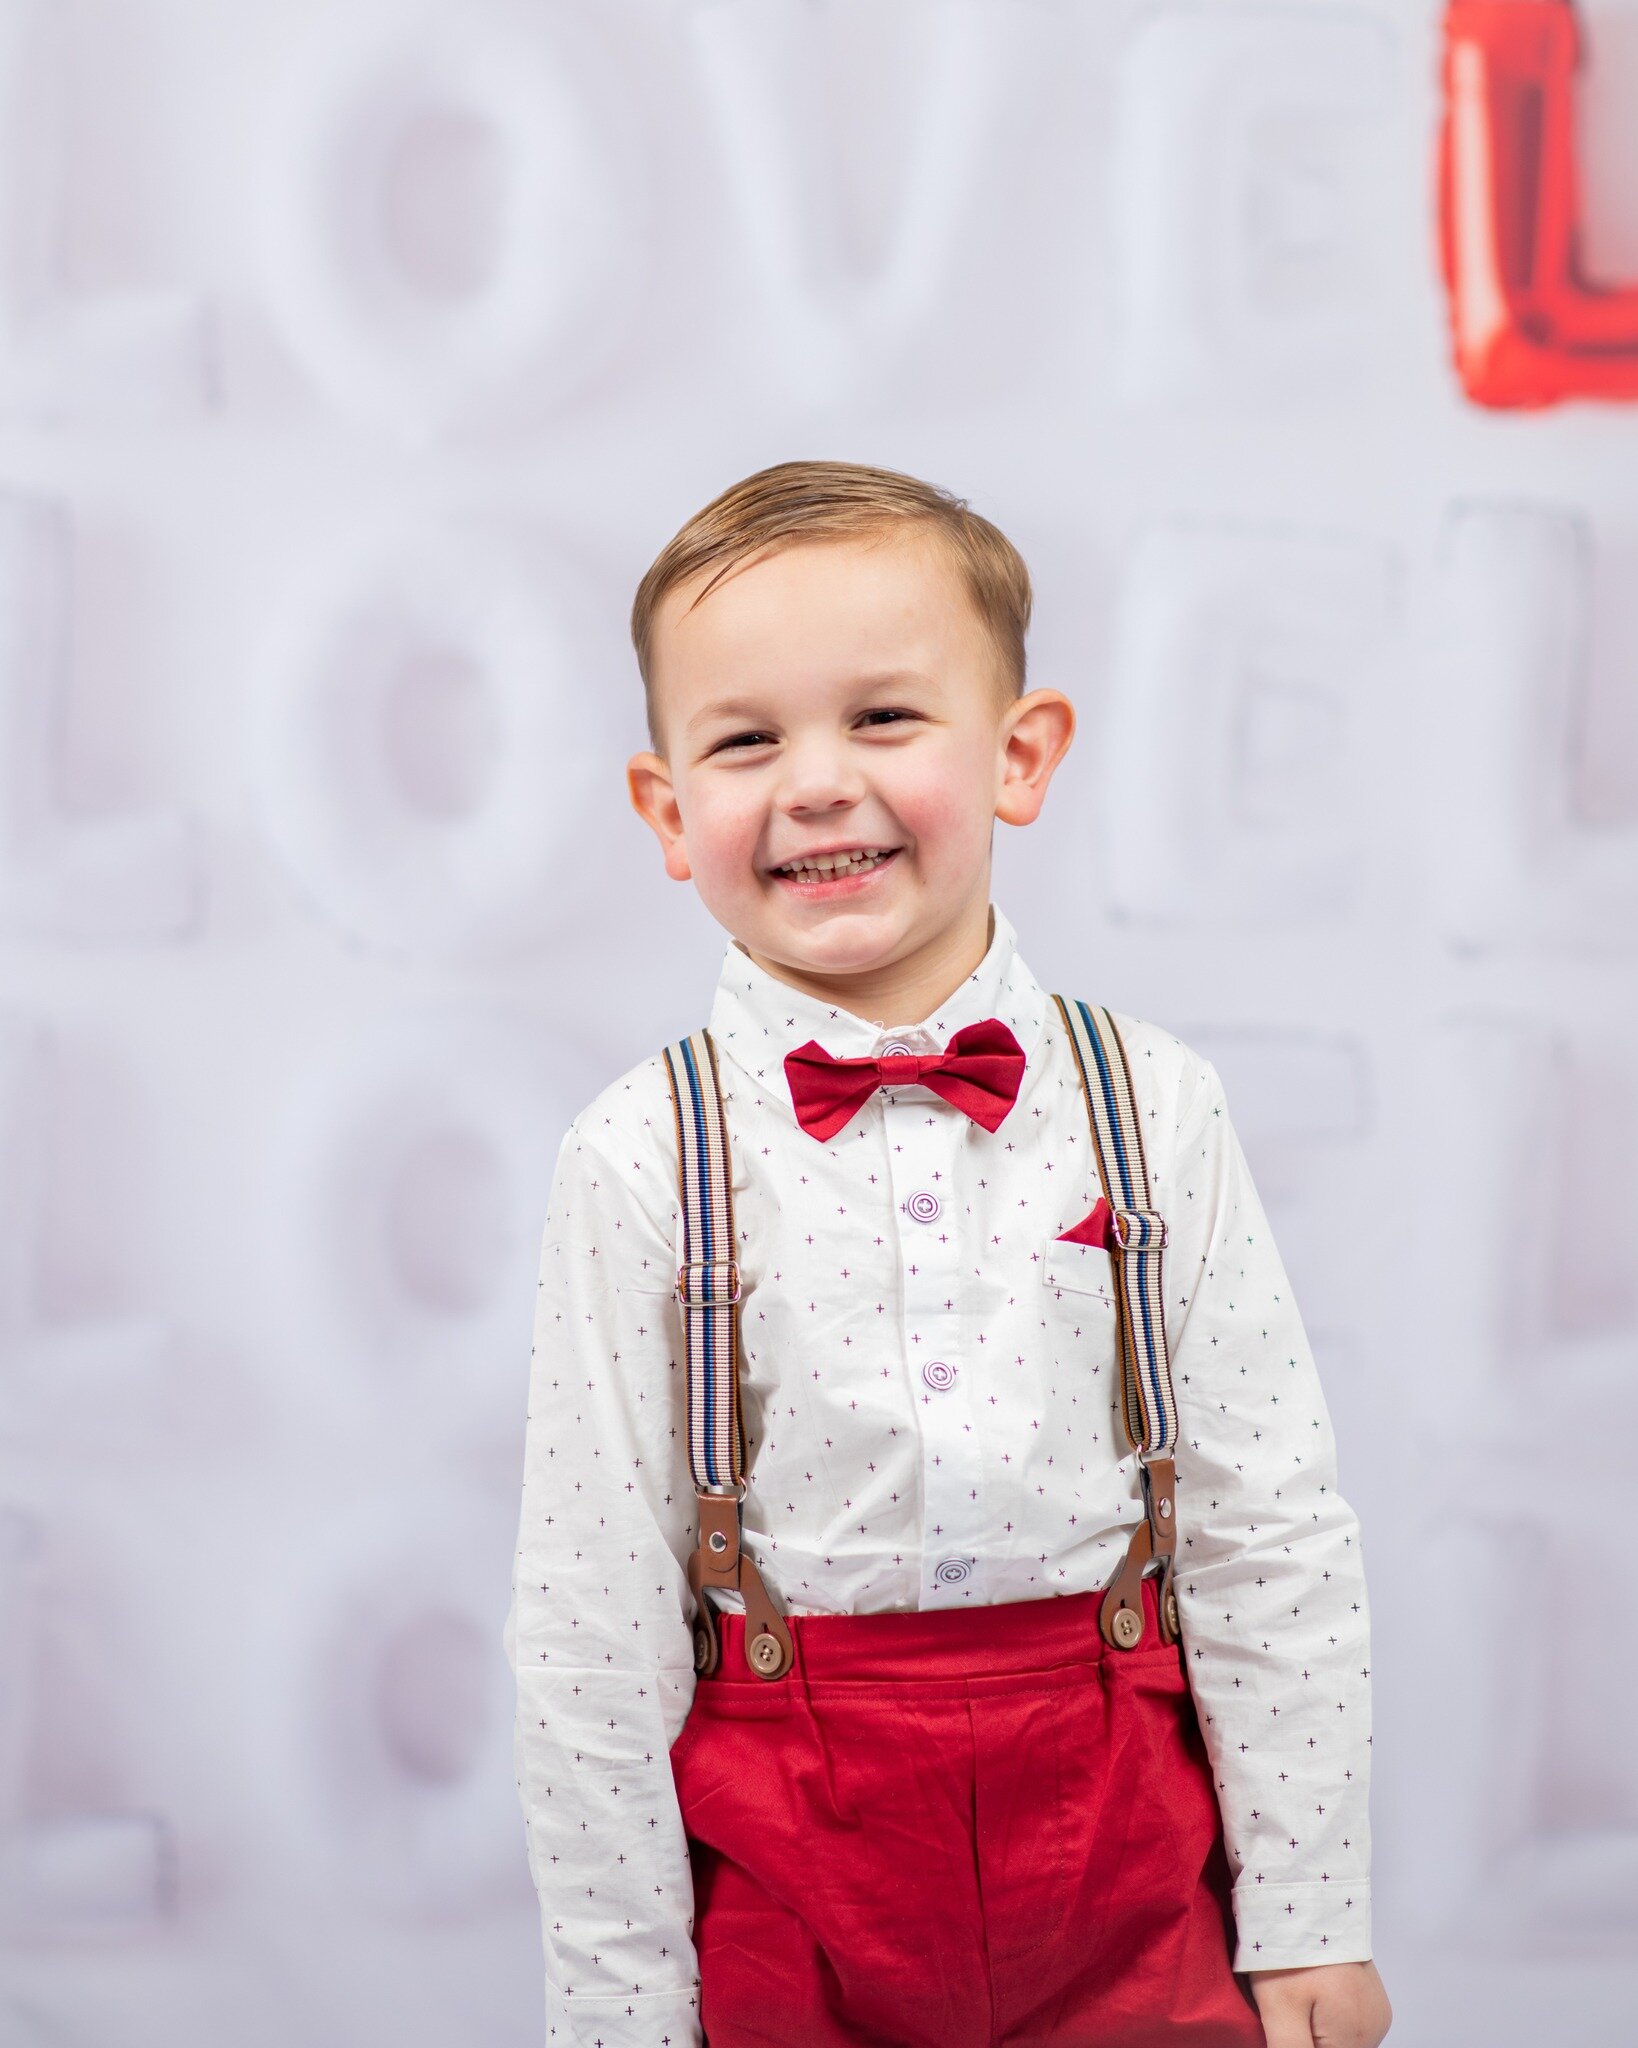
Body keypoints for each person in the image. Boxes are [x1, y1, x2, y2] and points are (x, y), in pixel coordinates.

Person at [503, 460, 1393, 2048]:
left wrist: (1306, 1912)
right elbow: (590, 1619)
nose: (816, 783)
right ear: (664, 809)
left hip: (1123, 1844)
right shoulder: (640, 1154)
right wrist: (621, 2008)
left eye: (885, 720)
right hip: (789, 1867)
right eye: (745, 739)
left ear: (1019, 755)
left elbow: (1271, 1535)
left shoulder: (1151, 1103)